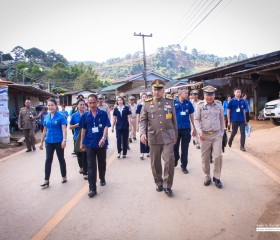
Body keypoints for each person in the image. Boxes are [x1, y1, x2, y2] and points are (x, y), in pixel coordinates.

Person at [140, 79, 178, 195]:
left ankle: (167, 185)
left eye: (159, 90)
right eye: (155, 90)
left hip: (168, 136)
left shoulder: (170, 102)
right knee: (155, 162)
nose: (157, 92)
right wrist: (142, 133)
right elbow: (143, 120)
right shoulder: (147, 103)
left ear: (163, 90)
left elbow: (174, 120)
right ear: (152, 90)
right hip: (154, 137)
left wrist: (175, 135)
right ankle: (159, 183)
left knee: (169, 161)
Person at [80, 94, 111, 198]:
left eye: (94, 102)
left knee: (102, 163)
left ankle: (102, 177)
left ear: (97, 102)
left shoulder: (102, 114)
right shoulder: (85, 115)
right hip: (89, 143)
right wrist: (82, 142)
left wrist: (103, 138)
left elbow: (106, 126)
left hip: (101, 142)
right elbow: (83, 129)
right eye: (90, 103)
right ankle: (92, 188)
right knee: (91, 166)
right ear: (87, 103)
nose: (92, 105)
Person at [194, 85, 224, 189]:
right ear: (204, 95)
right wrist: (199, 132)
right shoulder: (200, 105)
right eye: (207, 94)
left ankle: (217, 177)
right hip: (204, 136)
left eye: (211, 95)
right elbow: (196, 120)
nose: (209, 97)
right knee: (205, 157)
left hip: (216, 135)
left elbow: (221, 120)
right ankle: (207, 176)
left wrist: (221, 133)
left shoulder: (219, 105)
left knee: (218, 156)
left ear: (214, 95)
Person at [39, 98, 67, 188]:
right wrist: (41, 142)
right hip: (49, 141)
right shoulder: (46, 116)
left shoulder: (60, 116)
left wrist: (64, 140)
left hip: (59, 141)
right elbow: (44, 130)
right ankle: (46, 180)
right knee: (48, 160)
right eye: (49, 105)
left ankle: (64, 176)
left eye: (52, 105)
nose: (50, 107)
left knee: (61, 159)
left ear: (56, 106)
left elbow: (64, 129)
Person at [174, 89, 196, 174]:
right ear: (179, 94)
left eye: (187, 92)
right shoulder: (173, 103)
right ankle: (176, 158)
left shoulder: (189, 103)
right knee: (175, 147)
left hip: (186, 128)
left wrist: (194, 127)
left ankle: (184, 166)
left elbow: (191, 115)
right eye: (185, 93)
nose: (187, 94)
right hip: (176, 129)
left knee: (185, 148)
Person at [69, 99, 88, 180]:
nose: (82, 106)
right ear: (77, 106)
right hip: (77, 137)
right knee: (78, 154)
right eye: (80, 104)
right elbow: (70, 126)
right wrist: (76, 125)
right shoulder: (74, 115)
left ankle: (85, 172)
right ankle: (81, 166)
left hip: (86, 137)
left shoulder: (87, 114)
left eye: (83, 104)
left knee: (84, 154)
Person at [227, 87, 247, 151]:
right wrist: (229, 121)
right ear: (234, 93)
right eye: (237, 92)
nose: (238, 93)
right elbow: (228, 111)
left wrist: (245, 120)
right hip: (234, 119)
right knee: (234, 132)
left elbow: (244, 111)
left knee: (243, 133)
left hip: (242, 120)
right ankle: (230, 140)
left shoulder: (242, 101)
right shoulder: (231, 101)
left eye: (240, 92)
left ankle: (242, 146)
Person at [136, 93, 150, 160]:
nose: (144, 98)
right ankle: (142, 153)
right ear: (141, 98)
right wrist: (137, 125)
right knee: (142, 138)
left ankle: (148, 151)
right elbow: (138, 115)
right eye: (143, 97)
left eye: (145, 97)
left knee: (149, 137)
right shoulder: (139, 106)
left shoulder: (150, 105)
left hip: (150, 123)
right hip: (142, 123)